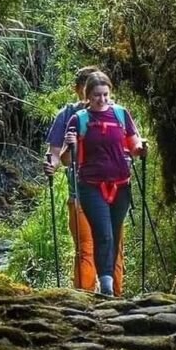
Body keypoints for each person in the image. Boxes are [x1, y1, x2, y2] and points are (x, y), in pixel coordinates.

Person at [61, 70, 146, 297]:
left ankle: (108, 285)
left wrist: (142, 148)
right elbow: (65, 160)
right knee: (103, 233)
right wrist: (70, 144)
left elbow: (134, 144)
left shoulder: (120, 114)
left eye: (106, 94)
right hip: (91, 186)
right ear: (88, 95)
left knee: (115, 235)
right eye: (97, 95)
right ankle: (106, 285)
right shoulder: (78, 119)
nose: (102, 99)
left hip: (121, 184)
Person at [44, 66, 123, 293]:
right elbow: (56, 153)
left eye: (99, 89)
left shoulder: (116, 113)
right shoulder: (68, 115)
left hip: (113, 191)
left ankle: (118, 299)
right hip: (79, 192)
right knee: (85, 248)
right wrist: (51, 164)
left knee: (113, 246)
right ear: (79, 90)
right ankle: (84, 300)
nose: (94, 94)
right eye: (88, 88)